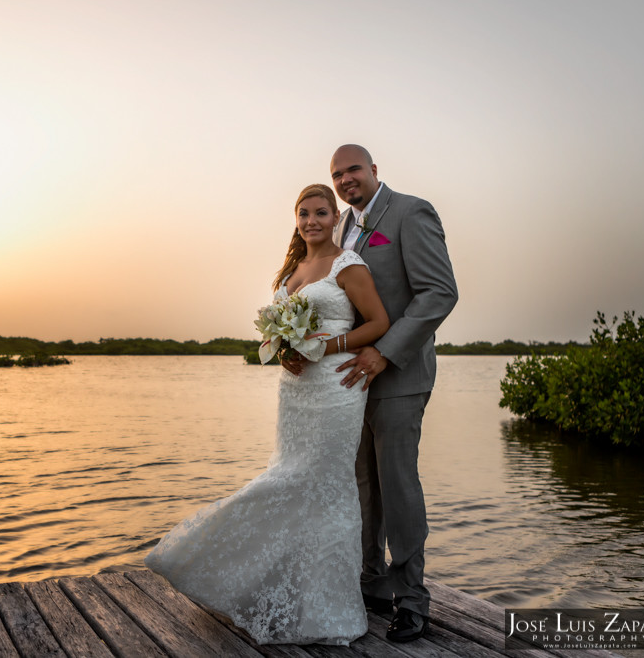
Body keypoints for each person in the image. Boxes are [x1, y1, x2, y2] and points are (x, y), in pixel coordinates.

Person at [145, 183, 390, 645]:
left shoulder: (348, 265)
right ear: (295, 218)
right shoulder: (291, 270)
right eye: (304, 213)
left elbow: (378, 323)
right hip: (295, 390)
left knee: (323, 484)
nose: (312, 220)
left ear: (335, 217)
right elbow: (281, 334)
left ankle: (331, 609)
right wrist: (284, 350)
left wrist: (326, 345)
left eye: (321, 212)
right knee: (290, 475)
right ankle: (285, 591)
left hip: (337, 385)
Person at [329, 144, 458, 643]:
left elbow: (439, 292)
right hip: (349, 380)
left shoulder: (410, 212)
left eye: (353, 169)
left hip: (400, 374)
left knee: (398, 485)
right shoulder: (340, 225)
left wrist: (384, 351)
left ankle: (412, 599)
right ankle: (372, 583)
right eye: (337, 174)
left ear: (374, 170)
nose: (345, 180)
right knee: (363, 484)